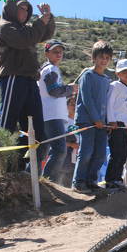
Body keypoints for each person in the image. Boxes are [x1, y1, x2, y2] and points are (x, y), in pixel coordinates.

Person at [0, 0, 55, 171]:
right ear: (12, 10)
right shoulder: (6, 27)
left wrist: (48, 17)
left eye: (27, 9)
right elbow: (24, 40)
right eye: (21, 9)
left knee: (36, 130)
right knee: (7, 123)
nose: (25, 12)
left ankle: (18, 166)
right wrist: (41, 22)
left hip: (30, 80)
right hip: (14, 77)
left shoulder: (27, 30)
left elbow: (45, 34)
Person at [72, 40, 113, 193]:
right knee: (86, 151)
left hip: (102, 124)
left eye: (107, 58)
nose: (104, 60)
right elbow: (87, 99)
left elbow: (107, 103)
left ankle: (91, 181)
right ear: (94, 58)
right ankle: (79, 182)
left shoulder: (106, 80)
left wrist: (107, 122)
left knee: (101, 154)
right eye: (101, 57)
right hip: (87, 121)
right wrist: (96, 119)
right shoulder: (87, 75)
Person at [37, 40, 76, 183]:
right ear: (46, 53)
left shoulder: (47, 69)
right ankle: (48, 183)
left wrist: (67, 90)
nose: (59, 54)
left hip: (47, 114)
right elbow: (54, 90)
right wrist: (70, 89)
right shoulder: (50, 69)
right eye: (55, 51)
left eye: (60, 51)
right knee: (59, 150)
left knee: (41, 152)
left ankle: (32, 182)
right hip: (52, 115)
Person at [105, 59, 127, 189]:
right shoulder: (114, 86)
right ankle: (110, 180)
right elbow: (109, 104)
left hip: (124, 126)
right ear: (118, 73)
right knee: (116, 153)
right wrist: (111, 120)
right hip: (115, 124)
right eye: (124, 71)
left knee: (123, 154)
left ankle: (118, 179)